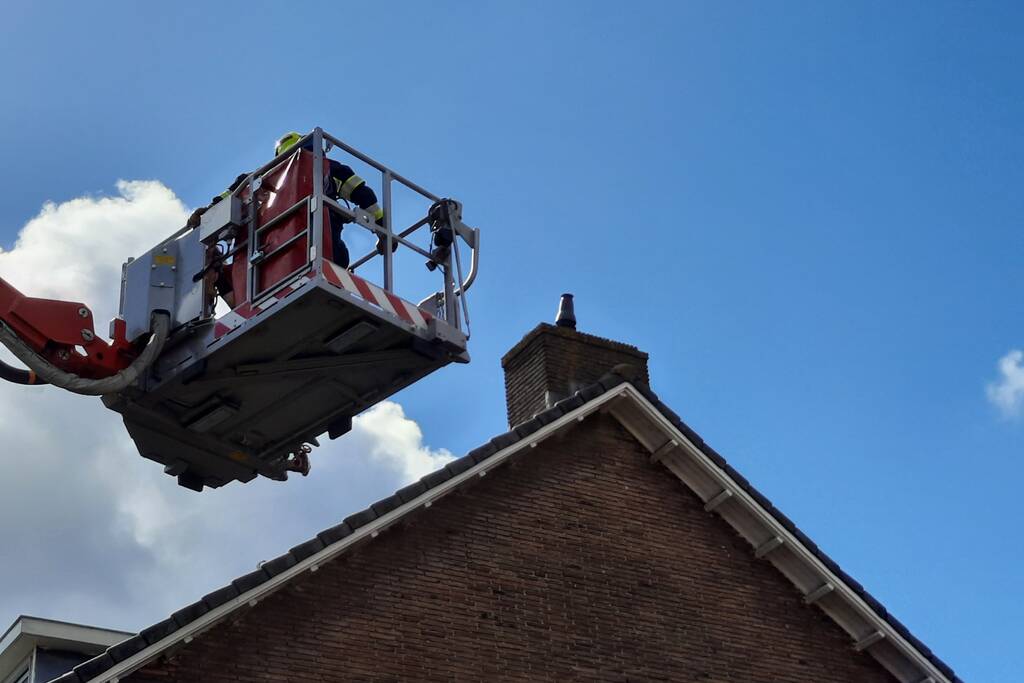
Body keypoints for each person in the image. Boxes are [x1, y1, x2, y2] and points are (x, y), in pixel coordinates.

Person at [273, 132, 391, 269]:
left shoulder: (270, 182)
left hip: (282, 255)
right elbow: (362, 194)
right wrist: (383, 230)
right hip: (326, 242)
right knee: (341, 259)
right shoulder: (326, 168)